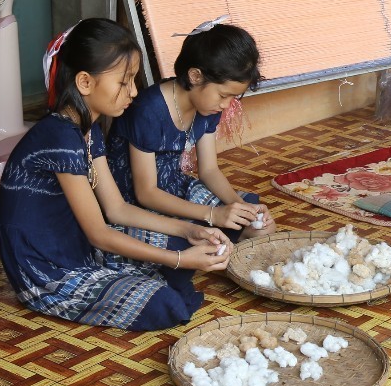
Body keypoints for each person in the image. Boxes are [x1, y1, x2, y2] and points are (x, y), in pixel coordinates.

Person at [0, 19, 232, 332]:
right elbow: (99, 234)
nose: (133, 91)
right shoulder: (59, 137)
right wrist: (178, 260)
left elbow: (116, 209)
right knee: (165, 302)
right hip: (44, 269)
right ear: (85, 83)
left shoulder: (88, 128)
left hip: (76, 247)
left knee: (177, 247)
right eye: (123, 82)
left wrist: (189, 231)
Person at [107, 20, 276, 243]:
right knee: (194, 244)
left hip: (174, 188)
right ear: (196, 76)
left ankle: (232, 240)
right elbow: (146, 193)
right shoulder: (148, 112)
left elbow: (209, 170)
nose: (227, 105)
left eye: (234, 97)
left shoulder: (209, 107)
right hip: (134, 201)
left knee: (260, 228)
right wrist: (213, 215)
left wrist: (241, 207)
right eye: (224, 95)